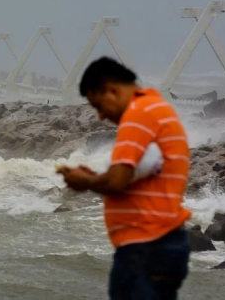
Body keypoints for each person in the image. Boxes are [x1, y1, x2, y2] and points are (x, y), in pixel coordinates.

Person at [57, 57, 191, 300]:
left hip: (147, 246)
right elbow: (135, 175)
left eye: (98, 105)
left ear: (112, 89)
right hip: (160, 242)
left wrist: (84, 182)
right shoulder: (155, 108)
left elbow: (118, 181)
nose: (100, 116)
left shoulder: (138, 115)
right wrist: (98, 178)